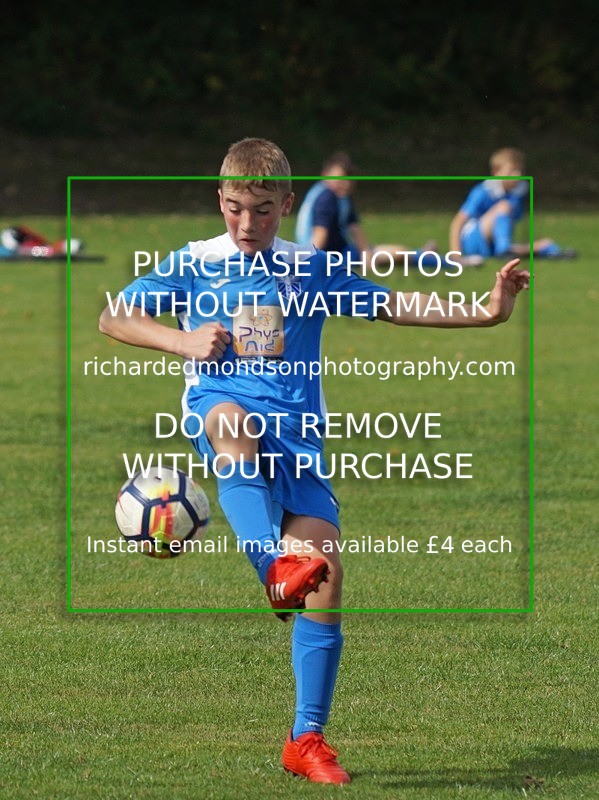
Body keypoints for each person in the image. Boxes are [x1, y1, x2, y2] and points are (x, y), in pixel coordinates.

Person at [99, 137, 529, 785]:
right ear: (219, 201)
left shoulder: (308, 269)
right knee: (231, 424)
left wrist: (486, 312)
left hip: (299, 442)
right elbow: (115, 315)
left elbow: (394, 304)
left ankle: (305, 739)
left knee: (324, 572)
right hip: (223, 411)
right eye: (236, 209)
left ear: (287, 203)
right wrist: (180, 338)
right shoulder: (193, 261)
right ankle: (272, 567)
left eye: (265, 210)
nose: (249, 224)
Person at [295, 150, 484, 269]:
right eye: (340, 178)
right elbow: (319, 234)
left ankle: (426, 254)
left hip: (339, 250)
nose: (345, 183)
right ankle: (451, 262)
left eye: (348, 179)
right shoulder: (326, 198)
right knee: (396, 256)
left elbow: (354, 226)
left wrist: (366, 254)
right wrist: (307, 265)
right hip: (328, 256)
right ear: (325, 175)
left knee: (390, 253)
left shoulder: (337, 195)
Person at [449, 147, 577, 259]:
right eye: (512, 171)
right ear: (496, 172)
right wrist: (456, 255)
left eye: (520, 171)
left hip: (493, 243)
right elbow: (458, 222)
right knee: (503, 207)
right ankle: (504, 251)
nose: (517, 175)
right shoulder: (483, 191)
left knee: (544, 243)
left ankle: (551, 252)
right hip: (473, 239)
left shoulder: (519, 192)